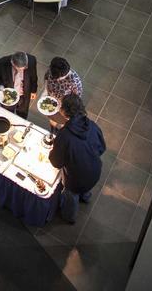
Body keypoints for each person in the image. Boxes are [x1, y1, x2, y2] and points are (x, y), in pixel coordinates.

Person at [49, 95, 106, 224]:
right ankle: (86, 197)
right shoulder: (92, 125)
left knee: (71, 197)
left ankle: (69, 217)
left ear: (64, 111)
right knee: (85, 187)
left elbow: (56, 162)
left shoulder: (64, 135)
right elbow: (102, 147)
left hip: (76, 180)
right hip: (95, 171)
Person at [0, 51, 38, 119]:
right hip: (9, 96)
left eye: (25, 68)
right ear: (12, 63)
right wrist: (0, 87)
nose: (23, 70)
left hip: (24, 96)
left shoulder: (31, 60)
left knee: (22, 116)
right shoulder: (1, 63)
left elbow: (34, 77)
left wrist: (34, 90)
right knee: (8, 115)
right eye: (20, 69)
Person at [44, 57, 83, 129]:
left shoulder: (74, 82)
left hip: (63, 107)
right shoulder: (52, 70)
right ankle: (53, 129)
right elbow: (46, 77)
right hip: (51, 101)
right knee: (52, 120)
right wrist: (46, 91)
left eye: (59, 78)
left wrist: (64, 110)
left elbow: (75, 102)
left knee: (62, 124)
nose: (57, 80)